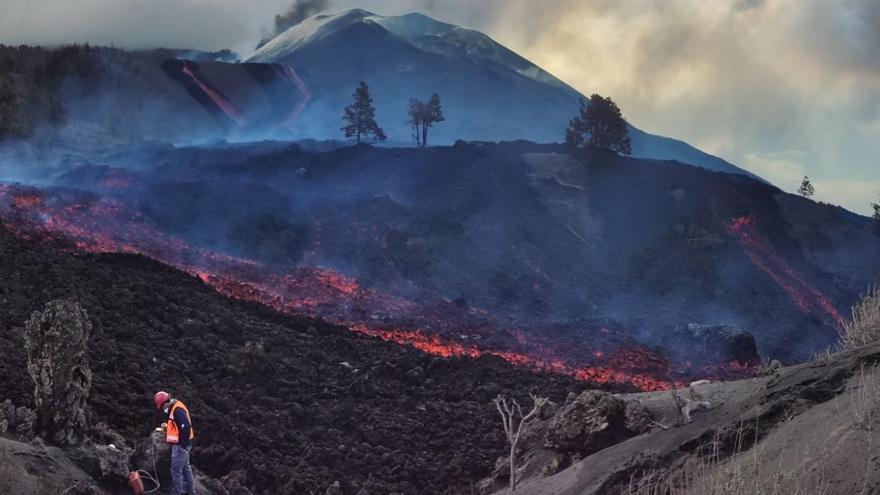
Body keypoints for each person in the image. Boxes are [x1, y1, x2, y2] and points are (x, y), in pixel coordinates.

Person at [154, 391, 195, 495]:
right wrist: (167, 428)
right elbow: (178, 427)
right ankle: (191, 492)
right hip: (186, 443)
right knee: (186, 468)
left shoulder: (177, 410)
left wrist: (182, 445)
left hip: (180, 445)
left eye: (162, 407)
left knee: (176, 471)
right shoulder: (175, 407)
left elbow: (185, 427)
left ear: (165, 403)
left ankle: (177, 493)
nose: (162, 410)